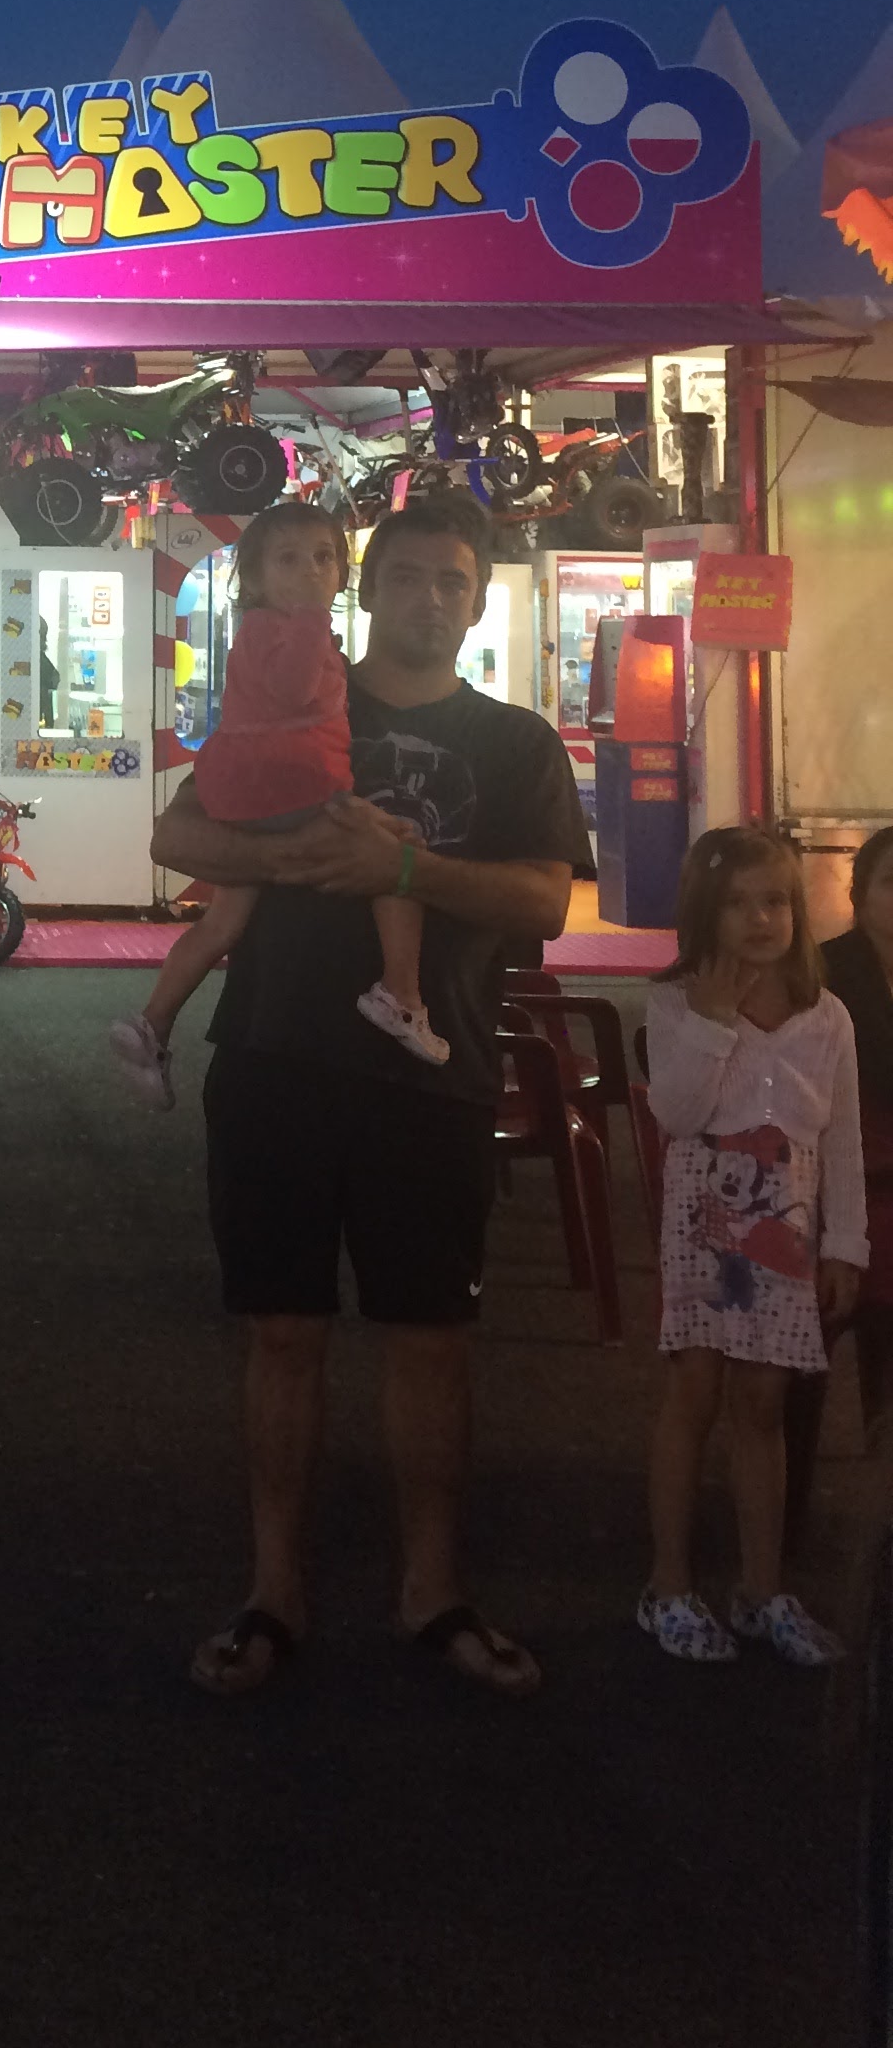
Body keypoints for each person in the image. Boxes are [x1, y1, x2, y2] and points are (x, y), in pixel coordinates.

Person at [147, 494, 591, 1700]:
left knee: (430, 1339)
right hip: (273, 1055)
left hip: (430, 1076)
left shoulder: (516, 743)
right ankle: (273, 1589)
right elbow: (179, 833)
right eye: (407, 577)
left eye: (454, 581)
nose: (430, 599)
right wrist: (290, 859)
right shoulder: (293, 692)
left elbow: (545, 902)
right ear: (364, 588)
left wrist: (402, 866)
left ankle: (432, 1590)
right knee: (281, 1331)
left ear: (480, 601)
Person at [112, 507, 442, 1107]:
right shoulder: (278, 630)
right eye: (289, 559)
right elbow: (294, 689)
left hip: (256, 791)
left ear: (343, 571)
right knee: (397, 860)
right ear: (256, 579)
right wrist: (314, 618)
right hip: (295, 786)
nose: (311, 571)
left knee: (222, 923)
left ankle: (152, 1024)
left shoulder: (268, 632)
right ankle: (401, 994)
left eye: (323, 557)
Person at [640, 827, 863, 1667]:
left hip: (786, 1224)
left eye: (775, 901)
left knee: (764, 1406)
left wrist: (846, 1243)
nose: (761, 918)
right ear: (705, 913)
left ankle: (763, 1590)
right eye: (737, 903)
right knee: (693, 1394)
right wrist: (711, 1022)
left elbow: (839, 1141)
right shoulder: (676, 1003)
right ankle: (668, 1585)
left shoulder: (827, 1016)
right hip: (704, 1219)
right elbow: (677, 1114)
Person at [786, 826, 893, 1549]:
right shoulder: (822, 974)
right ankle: (785, 1510)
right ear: (859, 894)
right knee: (802, 1368)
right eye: (891, 883)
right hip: (830, 1191)